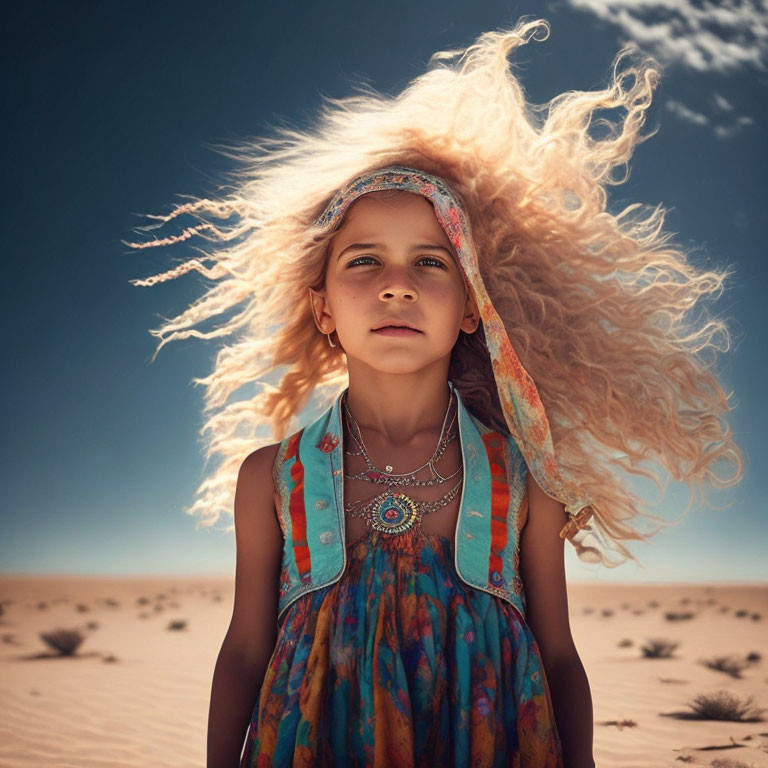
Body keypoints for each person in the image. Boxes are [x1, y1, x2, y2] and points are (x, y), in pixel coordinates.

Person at [127, 17, 744, 768]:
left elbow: (558, 656)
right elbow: (243, 651)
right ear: (323, 307)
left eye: (430, 263)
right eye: (363, 263)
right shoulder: (270, 479)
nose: (395, 286)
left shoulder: (529, 475)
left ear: (471, 306)